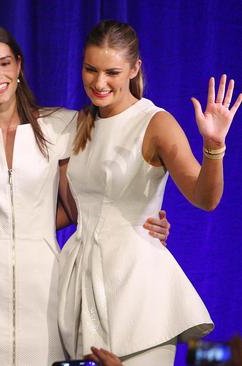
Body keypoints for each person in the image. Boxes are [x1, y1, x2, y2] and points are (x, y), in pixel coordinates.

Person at [0, 23, 171, 366]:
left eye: (5, 62)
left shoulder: (61, 125)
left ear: (19, 66)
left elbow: (101, 185)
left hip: (48, 286)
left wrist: (143, 216)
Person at [58, 20, 241, 365]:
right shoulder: (79, 123)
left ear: (135, 68)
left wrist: (214, 147)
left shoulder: (155, 122)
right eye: (90, 69)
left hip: (138, 291)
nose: (99, 82)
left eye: (112, 72)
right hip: (81, 286)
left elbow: (205, 198)